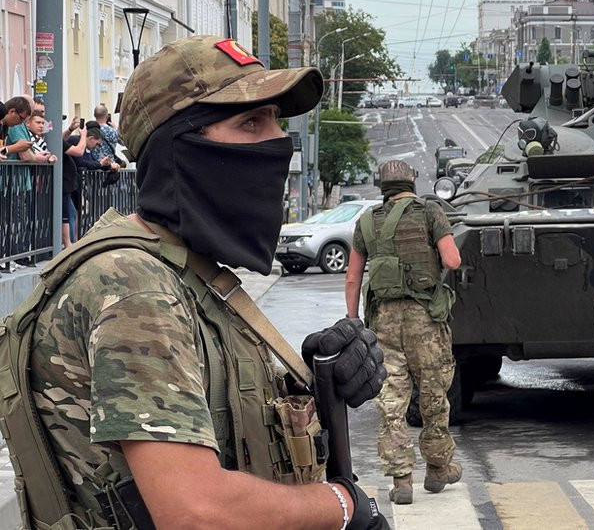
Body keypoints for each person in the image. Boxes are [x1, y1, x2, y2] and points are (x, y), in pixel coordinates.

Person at [7, 35, 389, 529]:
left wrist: (314, 384)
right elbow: (194, 511)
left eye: (275, 119)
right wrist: (343, 506)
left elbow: (221, 425)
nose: (278, 141)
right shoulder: (135, 286)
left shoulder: (184, 272)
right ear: (181, 148)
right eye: (251, 122)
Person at [345, 159, 463, 505]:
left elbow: (353, 278)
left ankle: (401, 481)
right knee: (433, 395)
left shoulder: (367, 221)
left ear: (382, 186)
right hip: (425, 320)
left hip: (383, 321)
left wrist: (353, 320)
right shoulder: (430, 212)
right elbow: (452, 260)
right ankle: (438, 469)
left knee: (391, 401)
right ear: (411, 181)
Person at [1, 95, 33, 160]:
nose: (21, 123)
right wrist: (16, 147)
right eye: (21, 118)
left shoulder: (5, 127)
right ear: (12, 111)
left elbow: (1, 152)